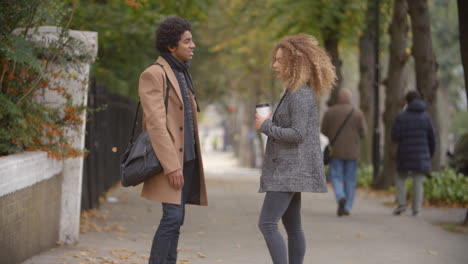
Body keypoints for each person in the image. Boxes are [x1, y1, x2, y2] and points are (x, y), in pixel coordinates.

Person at [255, 34, 335, 264]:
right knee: (293, 227)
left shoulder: (300, 95)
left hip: (288, 172)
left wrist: (266, 126)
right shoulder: (294, 91)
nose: (275, 65)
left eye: (280, 61)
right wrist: (271, 123)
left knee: (267, 223)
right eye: (275, 60)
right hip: (290, 169)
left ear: (294, 63)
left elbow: (298, 134)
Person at [138, 16, 208, 264]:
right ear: (171, 46)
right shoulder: (154, 75)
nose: (193, 45)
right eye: (187, 41)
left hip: (186, 158)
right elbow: (155, 124)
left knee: (177, 219)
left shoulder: (181, 73)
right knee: (171, 217)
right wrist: (172, 166)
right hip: (170, 161)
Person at [320, 89, 368, 216]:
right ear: (349, 99)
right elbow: (364, 133)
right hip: (353, 152)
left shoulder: (330, 112)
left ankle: (340, 196)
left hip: (336, 151)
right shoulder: (357, 113)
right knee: (350, 179)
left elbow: (323, 130)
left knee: (336, 177)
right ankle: (347, 206)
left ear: (338, 98)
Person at [392, 90, 436, 216]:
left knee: (400, 178)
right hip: (422, 155)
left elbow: (394, 136)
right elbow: (432, 138)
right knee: (418, 181)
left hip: (405, 154)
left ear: (407, 101)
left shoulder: (401, 116)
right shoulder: (426, 117)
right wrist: (429, 154)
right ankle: (416, 209)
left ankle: (401, 204)